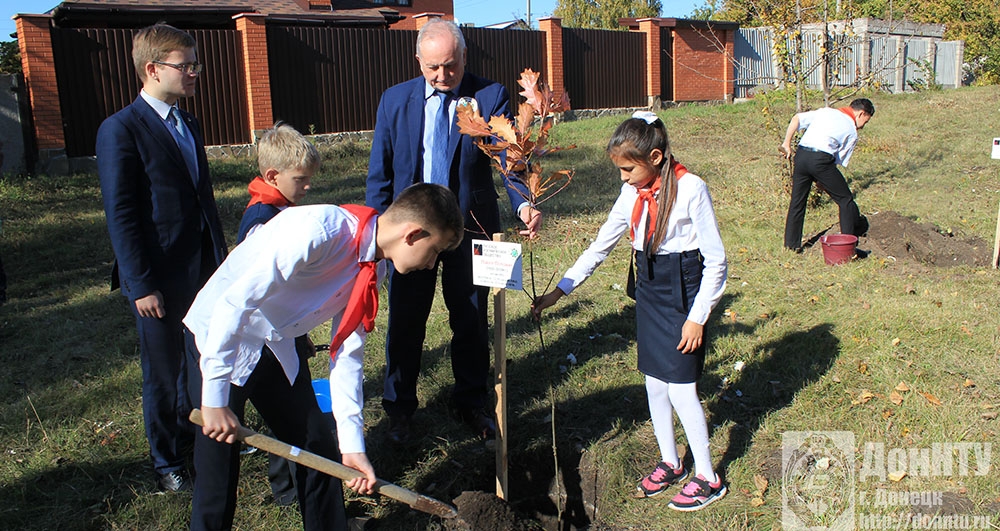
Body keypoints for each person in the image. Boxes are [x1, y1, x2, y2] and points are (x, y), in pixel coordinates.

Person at [183, 183, 464, 531]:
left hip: (275, 343)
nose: (432, 263)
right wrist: (214, 398)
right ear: (413, 234)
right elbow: (234, 302)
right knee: (218, 469)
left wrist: (352, 446)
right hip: (219, 339)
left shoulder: (372, 268)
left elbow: (347, 355)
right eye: (434, 251)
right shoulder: (318, 232)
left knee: (318, 451)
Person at [532, 111, 729, 512]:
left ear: (655, 157)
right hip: (650, 289)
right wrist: (561, 290)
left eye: (627, 169)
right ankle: (672, 462)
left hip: (683, 290)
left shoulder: (691, 189)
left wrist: (697, 316)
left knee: (681, 387)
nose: (622, 177)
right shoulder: (631, 194)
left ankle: (709, 476)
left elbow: (717, 261)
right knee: (655, 382)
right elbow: (601, 245)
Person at [366, 17, 542, 444]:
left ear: (464, 57)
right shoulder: (395, 102)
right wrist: (374, 238)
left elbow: (509, 158)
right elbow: (380, 175)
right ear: (418, 62)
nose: (443, 76)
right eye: (433, 68)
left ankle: (471, 402)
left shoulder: (489, 95)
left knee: (469, 317)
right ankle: (400, 409)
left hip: (471, 228)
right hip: (412, 235)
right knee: (406, 320)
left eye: (451, 65)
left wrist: (523, 203)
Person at [96, 23, 227, 493]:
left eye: (195, 64)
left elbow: (201, 198)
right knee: (162, 371)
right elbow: (122, 214)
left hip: (203, 268)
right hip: (158, 276)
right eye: (184, 65)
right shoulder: (121, 130)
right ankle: (166, 460)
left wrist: (220, 259)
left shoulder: (188, 122)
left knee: (203, 358)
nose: (194, 73)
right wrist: (139, 284)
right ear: (152, 70)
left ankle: (201, 439)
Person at [235, 122, 320, 506]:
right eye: (300, 179)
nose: (307, 187)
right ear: (273, 176)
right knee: (296, 417)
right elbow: (262, 288)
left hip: (282, 333)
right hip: (267, 338)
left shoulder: (277, 208)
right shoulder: (262, 222)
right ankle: (291, 488)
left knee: (291, 414)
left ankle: (288, 487)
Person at [780, 98, 875, 253]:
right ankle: (848, 245)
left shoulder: (826, 112)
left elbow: (797, 118)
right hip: (821, 160)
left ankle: (791, 246)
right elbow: (836, 162)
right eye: (866, 121)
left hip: (802, 155)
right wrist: (823, 181)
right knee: (845, 200)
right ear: (861, 114)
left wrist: (786, 143)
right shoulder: (852, 131)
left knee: (797, 202)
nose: (863, 126)